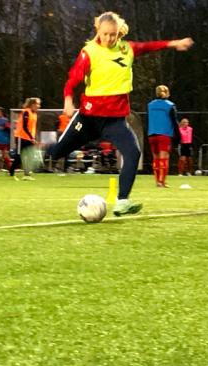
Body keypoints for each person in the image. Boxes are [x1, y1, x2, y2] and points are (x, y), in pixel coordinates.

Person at [45, 11, 194, 216]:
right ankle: (35, 155)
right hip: (88, 119)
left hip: (114, 121)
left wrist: (173, 43)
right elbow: (72, 79)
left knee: (133, 153)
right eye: (105, 34)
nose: (109, 38)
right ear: (98, 30)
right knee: (58, 152)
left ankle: (122, 200)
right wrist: (68, 99)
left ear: (118, 33)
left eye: (113, 34)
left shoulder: (127, 49)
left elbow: (149, 46)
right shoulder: (89, 52)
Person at [147, 84, 179, 188]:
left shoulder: (150, 105)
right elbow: (174, 121)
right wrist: (178, 135)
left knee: (155, 158)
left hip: (152, 133)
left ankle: (157, 181)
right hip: (164, 134)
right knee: (164, 159)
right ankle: (162, 181)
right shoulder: (170, 105)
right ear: (167, 93)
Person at [11, 97, 41, 179]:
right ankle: (11, 172)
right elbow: (24, 127)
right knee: (19, 156)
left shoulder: (34, 114)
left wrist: (34, 138)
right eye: (37, 104)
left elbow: (32, 128)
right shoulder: (26, 112)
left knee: (30, 155)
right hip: (21, 137)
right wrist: (32, 138)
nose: (38, 106)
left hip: (29, 138)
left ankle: (26, 175)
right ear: (32, 104)